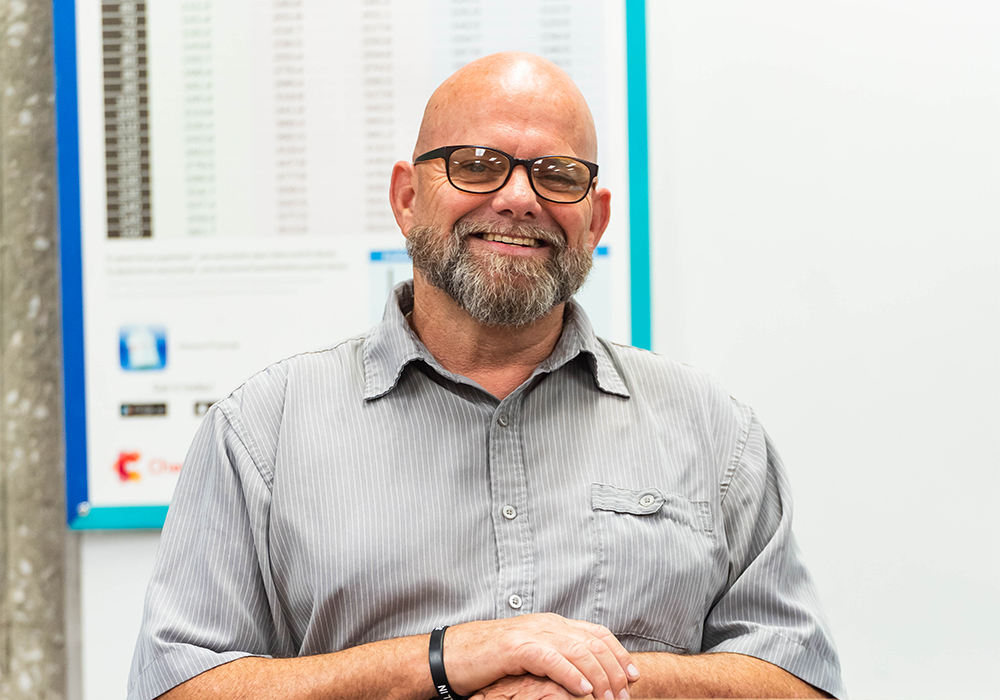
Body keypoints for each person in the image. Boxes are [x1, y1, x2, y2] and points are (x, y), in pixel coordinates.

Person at [128, 52, 844, 700]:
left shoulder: (713, 430)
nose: (519, 198)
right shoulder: (262, 431)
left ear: (594, 220)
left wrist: (602, 681)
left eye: (556, 175)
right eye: (477, 164)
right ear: (408, 198)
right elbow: (176, 687)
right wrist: (442, 659)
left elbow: (801, 681)